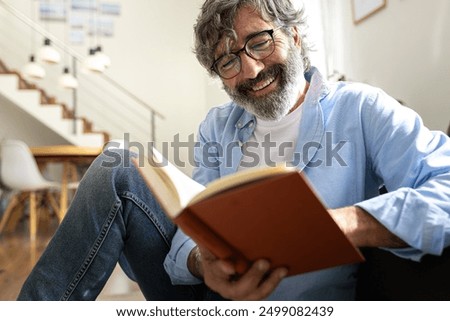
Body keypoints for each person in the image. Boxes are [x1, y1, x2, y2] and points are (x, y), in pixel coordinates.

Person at [18, 0, 450, 300]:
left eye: (260, 41)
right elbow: (191, 225)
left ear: (294, 36)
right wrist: (202, 265)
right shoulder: (218, 126)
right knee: (118, 160)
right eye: (227, 61)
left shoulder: (361, 108)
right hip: (212, 297)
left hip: (305, 303)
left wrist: (343, 224)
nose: (250, 68)